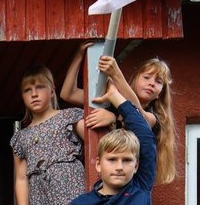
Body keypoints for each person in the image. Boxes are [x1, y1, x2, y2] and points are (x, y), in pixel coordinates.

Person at [62, 48, 177, 186]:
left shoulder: (153, 117)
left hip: (130, 179)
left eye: (158, 81)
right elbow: (68, 94)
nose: (151, 83)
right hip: (101, 170)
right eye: (146, 77)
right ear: (133, 81)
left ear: (160, 93)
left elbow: (136, 115)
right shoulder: (110, 103)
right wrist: (80, 54)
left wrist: (116, 75)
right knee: (82, 124)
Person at [10, 63, 86, 205]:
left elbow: (100, 144)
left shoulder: (69, 117)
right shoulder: (21, 136)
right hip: (39, 197)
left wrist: (109, 116)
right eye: (28, 90)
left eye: (40, 87)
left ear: (52, 91)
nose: (34, 94)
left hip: (70, 185)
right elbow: (20, 178)